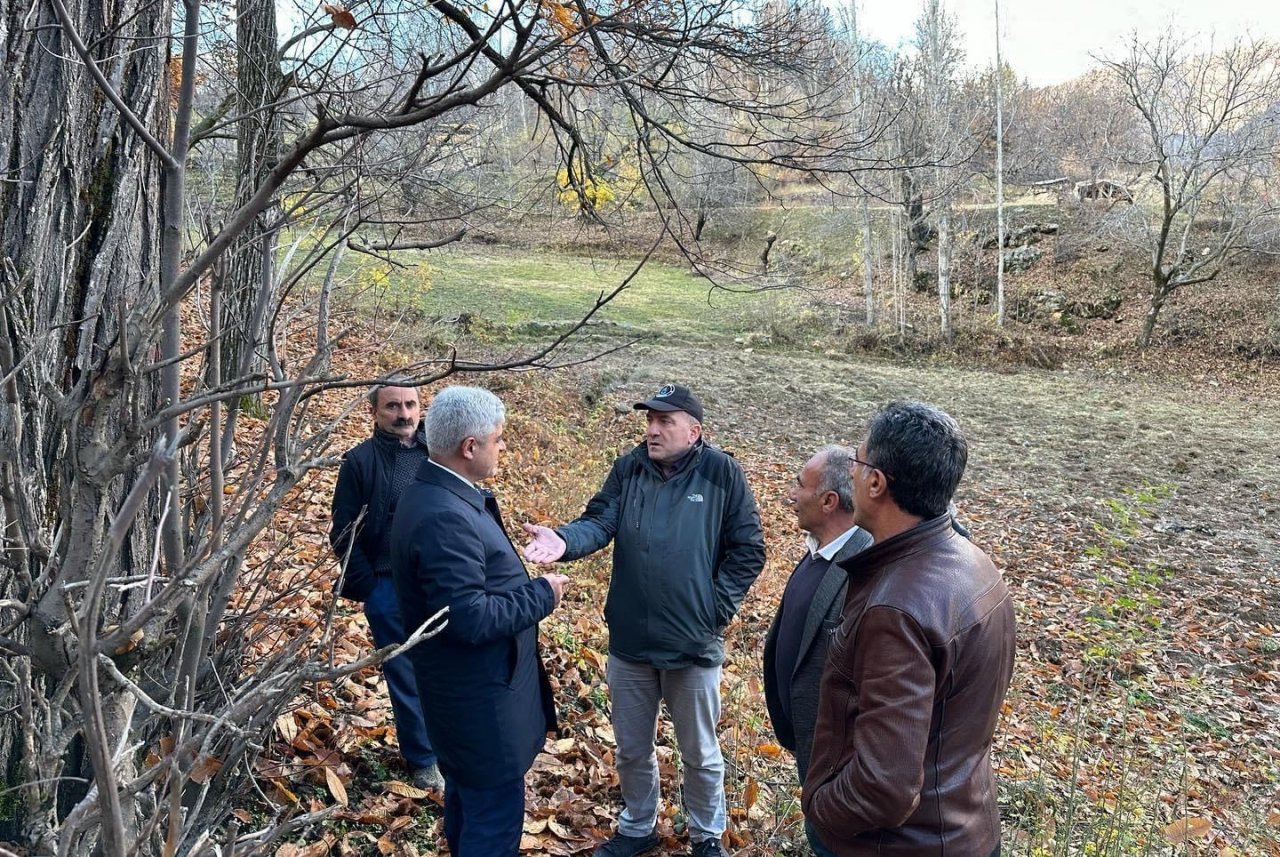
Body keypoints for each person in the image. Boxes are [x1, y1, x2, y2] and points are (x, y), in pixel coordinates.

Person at [523, 383, 766, 857]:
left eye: (664, 422)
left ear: (693, 430)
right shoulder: (629, 468)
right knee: (632, 749)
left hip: (693, 646)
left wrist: (713, 610)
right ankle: (638, 826)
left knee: (699, 753)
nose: (652, 430)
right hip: (631, 640)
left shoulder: (722, 473)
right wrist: (564, 542)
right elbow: (599, 521)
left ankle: (706, 835)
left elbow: (749, 549)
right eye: (649, 421)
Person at [802, 402, 1017, 857]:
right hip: (966, 829)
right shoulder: (974, 563)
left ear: (877, 483)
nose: (852, 474)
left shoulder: (896, 608)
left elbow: (884, 786)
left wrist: (821, 809)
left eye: (858, 462)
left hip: (900, 845)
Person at [391, 386, 569, 856]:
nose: (503, 446)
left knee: (468, 805)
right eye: (498, 438)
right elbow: (468, 617)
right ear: (470, 447)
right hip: (479, 706)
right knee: (491, 824)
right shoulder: (443, 515)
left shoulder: (439, 493)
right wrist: (542, 593)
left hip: (470, 699)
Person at [329, 378, 441, 790]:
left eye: (411, 404)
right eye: (393, 406)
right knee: (405, 671)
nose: (404, 414)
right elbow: (344, 532)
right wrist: (369, 588)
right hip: (387, 586)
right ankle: (424, 759)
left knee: (447, 666)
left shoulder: (438, 453)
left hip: (440, 581)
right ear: (374, 413)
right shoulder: (359, 462)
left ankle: (453, 746)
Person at [762, 446, 871, 857]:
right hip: (811, 752)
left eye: (799, 485)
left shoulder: (864, 567)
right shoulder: (817, 553)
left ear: (828, 501)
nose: (790, 494)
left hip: (841, 769)